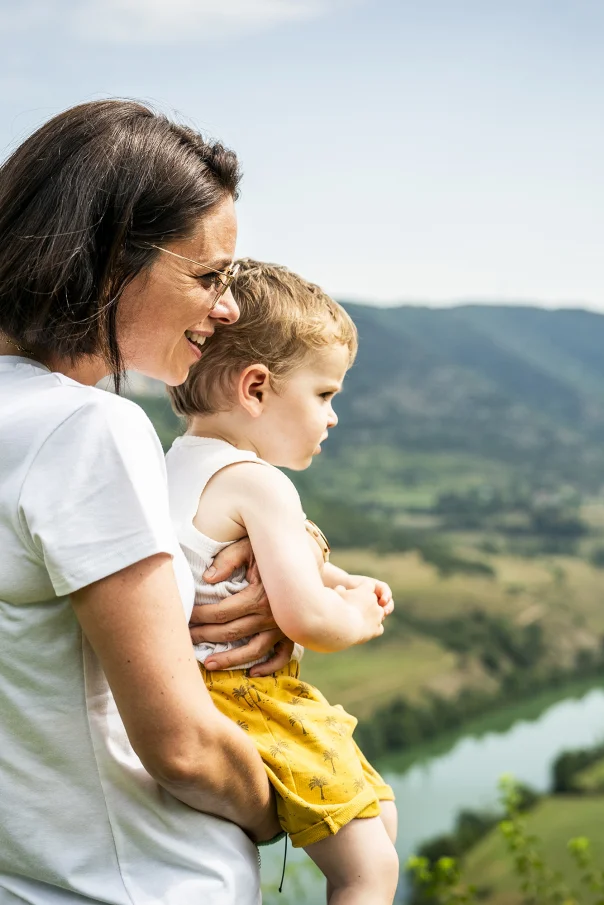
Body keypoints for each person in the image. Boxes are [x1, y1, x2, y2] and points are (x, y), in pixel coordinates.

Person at [0, 99, 328, 904]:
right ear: (111, 259)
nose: (228, 308)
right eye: (209, 275)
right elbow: (181, 747)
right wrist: (288, 804)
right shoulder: (88, 428)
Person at [166, 260, 400, 904]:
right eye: (324, 395)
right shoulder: (259, 481)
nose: (331, 418)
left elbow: (268, 564)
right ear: (257, 388)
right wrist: (359, 615)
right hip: (248, 703)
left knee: (380, 819)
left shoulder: (175, 464)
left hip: (189, 694)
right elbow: (304, 619)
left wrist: (342, 576)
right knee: (368, 872)